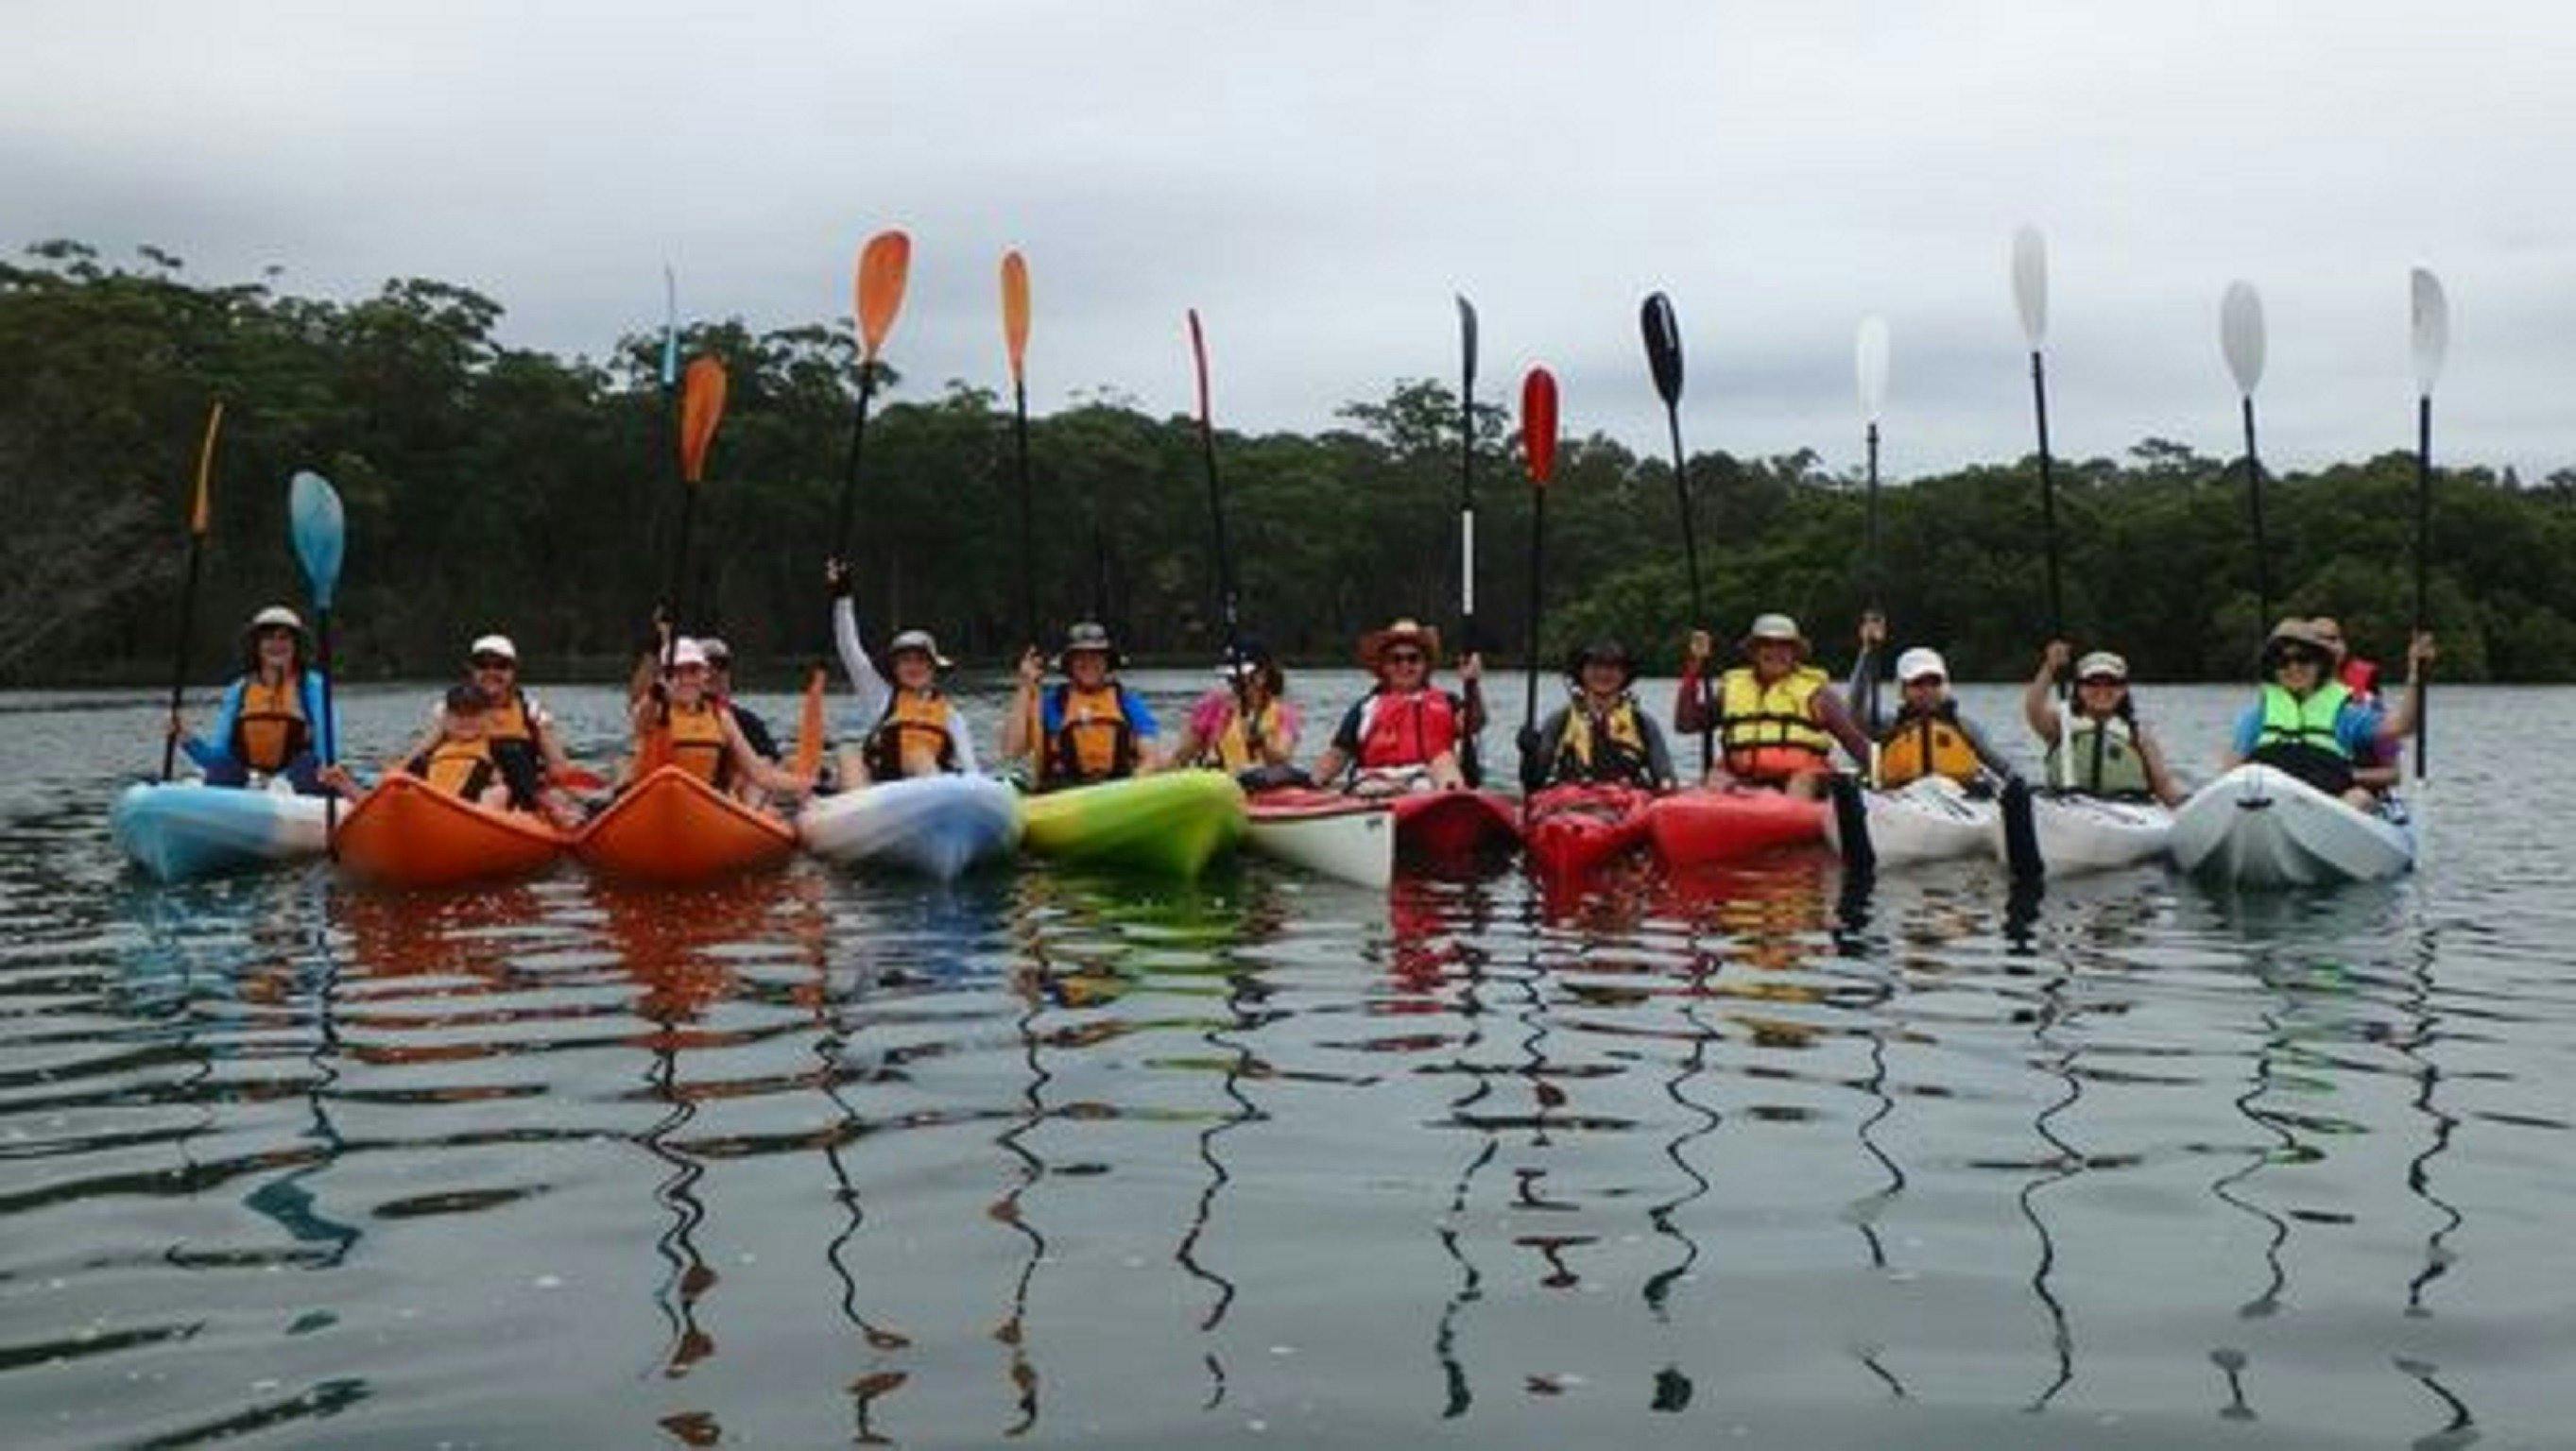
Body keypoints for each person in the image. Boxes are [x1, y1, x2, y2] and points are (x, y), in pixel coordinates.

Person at [2224, 618, 2431, 810]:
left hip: (2328, 804)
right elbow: (2230, 772)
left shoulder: (2347, 714)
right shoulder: (2256, 717)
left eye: (2303, 659)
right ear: (2273, 671)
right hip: (2271, 801)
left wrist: (2416, 674)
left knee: (2359, 797)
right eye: (2282, 661)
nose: (2293, 667)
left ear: (2320, 665)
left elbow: (2403, 726)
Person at [1674, 612, 1872, 797]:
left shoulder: (1817, 694)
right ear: (1754, 652)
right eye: (1767, 645)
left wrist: (1878, 774)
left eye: (1784, 646)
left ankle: (1790, 820)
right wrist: (1695, 664)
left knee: (1801, 783)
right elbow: (1686, 723)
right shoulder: (1732, 689)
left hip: (1803, 778)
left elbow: (1855, 743)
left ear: (1795, 653)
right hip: (1743, 777)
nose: (1776, 653)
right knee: (1715, 779)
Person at [403, 634, 586, 827]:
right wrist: (395, 776)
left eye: (501, 665)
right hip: (456, 791)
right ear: (472, 670)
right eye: (483, 665)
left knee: (511, 754)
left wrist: (557, 798)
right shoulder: (449, 709)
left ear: (513, 670)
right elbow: (420, 752)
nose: (491, 672)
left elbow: (558, 767)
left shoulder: (531, 710)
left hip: (513, 795)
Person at [829, 558, 981, 785]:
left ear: (933, 668)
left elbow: (970, 768)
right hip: (876, 797)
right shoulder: (880, 697)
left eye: (921, 661)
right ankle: (854, 811)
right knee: (848, 755)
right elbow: (850, 650)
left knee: (920, 757)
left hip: (929, 788)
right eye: (905, 661)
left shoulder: (951, 717)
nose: (913, 668)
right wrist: (843, 598)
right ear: (895, 669)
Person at [170, 605, 338, 794]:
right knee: (222, 768)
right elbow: (218, 755)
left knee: (308, 764)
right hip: (248, 780)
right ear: (256, 646)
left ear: (296, 645)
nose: (277, 645)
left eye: (284, 638)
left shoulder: (312, 686)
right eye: (268, 638)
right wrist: (188, 742)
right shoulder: (239, 689)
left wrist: (324, 775)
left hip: (297, 781)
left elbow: (326, 748)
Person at [628, 638, 811, 807]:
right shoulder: (654, 711)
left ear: (704, 675)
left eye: (693, 671)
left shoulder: (719, 715)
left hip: (704, 806)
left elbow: (758, 773)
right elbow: (641, 716)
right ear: (664, 677)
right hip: (654, 804)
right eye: (676, 672)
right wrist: (656, 691)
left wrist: (804, 783)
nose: (685, 680)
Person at [1308, 619, 1478, 793]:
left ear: (1425, 664)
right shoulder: (1365, 708)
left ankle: (1455, 804)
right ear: (1384, 666)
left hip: (1430, 783)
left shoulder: (1449, 702)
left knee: (1444, 760)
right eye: (1396, 659)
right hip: (1374, 783)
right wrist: (1311, 784)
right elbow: (1337, 756)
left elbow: (1473, 724)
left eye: (1413, 659)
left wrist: (1472, 685)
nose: (1405, 666)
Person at [2019, 641, 2185, 805]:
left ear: (2124, 690)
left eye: (2112, 683)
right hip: (2068, 808)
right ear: (2079, 688)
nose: (2102, 691)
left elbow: (2164, 786)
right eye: (2092, 683)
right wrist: (2050, 668)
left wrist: (2186, 805)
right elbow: (2034, 708)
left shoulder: (2137, 735)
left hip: (2127, 812)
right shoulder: (2062, 726)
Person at [1002, 622, 1161, 789]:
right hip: (1061, 796)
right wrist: (1026, 686)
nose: (1088, 663)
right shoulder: (1051, 703)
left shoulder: (1128, 703)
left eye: (1096, 657)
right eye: (1080, 657)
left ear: (1107, 662)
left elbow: (1150, 757)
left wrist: (1129, 787)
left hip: (1117, 793)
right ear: (1069, 664)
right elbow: (1011, 750)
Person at [1855, 635, 2019, 792]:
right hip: (1901, 800)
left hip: (1957, 802)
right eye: (1918, 683)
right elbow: (1854, 712)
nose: (1927, 690)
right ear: (1903, 690)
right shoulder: (1887, 726)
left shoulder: (1964, 727)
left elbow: (2004, 769)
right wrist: (1867, 653)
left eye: (1934, 682)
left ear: (1944, 686)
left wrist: (2017, 787)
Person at [1518, 640, 1677, 791]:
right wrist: (1529, 756)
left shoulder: (1642, 723)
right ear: (1581, 672)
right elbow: (1533, 783)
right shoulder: (1560, 720)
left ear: (1624, 675)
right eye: (1595, 666)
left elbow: (1665, 778)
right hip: (1571, 804)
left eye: (1613, 667)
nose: (1603, 674)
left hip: (1626, 803)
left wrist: (1666, 788)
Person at [1162, 638, 1303, 788]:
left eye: (1239, 679)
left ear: (1262, 676)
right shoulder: (1212, 706)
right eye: (1231, 679)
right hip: (1218, 786)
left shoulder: (1283, 713)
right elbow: (1182, 755)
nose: (1234, 684)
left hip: (1263, 786)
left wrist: (1260, 741)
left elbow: (1281, 759)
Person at [381, 682, 514, 811]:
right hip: (428, 813)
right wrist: (428, 742)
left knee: (499, 792)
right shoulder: (428, 754)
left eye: (474, 714)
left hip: (474, 815)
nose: (466, 721)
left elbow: (522, 790)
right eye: (459, 714)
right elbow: (394, 776)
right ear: (446, 717)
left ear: (487, 716)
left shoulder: (501, 750)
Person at [699, 636, 780, 761]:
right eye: (705, 667)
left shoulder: (747, 722)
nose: (713, 673)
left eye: (721, 665)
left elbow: (770, 761)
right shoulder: (670, 719)